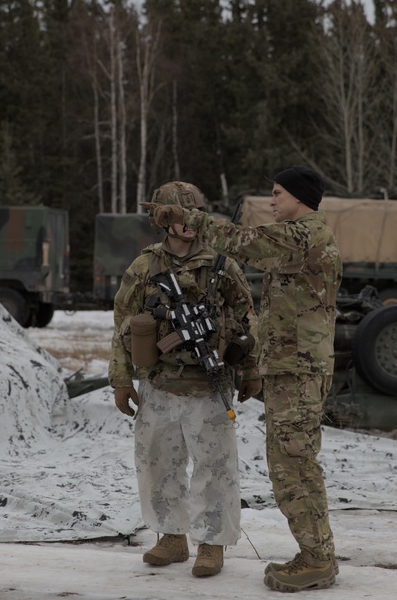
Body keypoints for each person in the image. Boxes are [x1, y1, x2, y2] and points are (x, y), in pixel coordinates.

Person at [142, 165, 342, 592]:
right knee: (294, 465)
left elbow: (240, 242)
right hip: (293, 369)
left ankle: (317, 559)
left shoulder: (302, 236)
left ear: (299, 196)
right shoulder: (301, 236)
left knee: (294, 467)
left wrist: (187, 217)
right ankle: (315, 553)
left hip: (299, 371)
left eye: (277, 193)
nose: (272, 201)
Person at [109, 181, 261, 579]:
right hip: (159, 384)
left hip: (209, 387)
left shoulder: (222, 266)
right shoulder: (145, 267)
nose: (187, 224)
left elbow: (247, 318)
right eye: (176, 216)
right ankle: (171, 536)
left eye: (192, 215)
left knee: (215, 466)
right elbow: (121, 322)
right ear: (162, 219)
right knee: (158, 463)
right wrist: (120, 379)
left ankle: (211, 543)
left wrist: (253, 369)